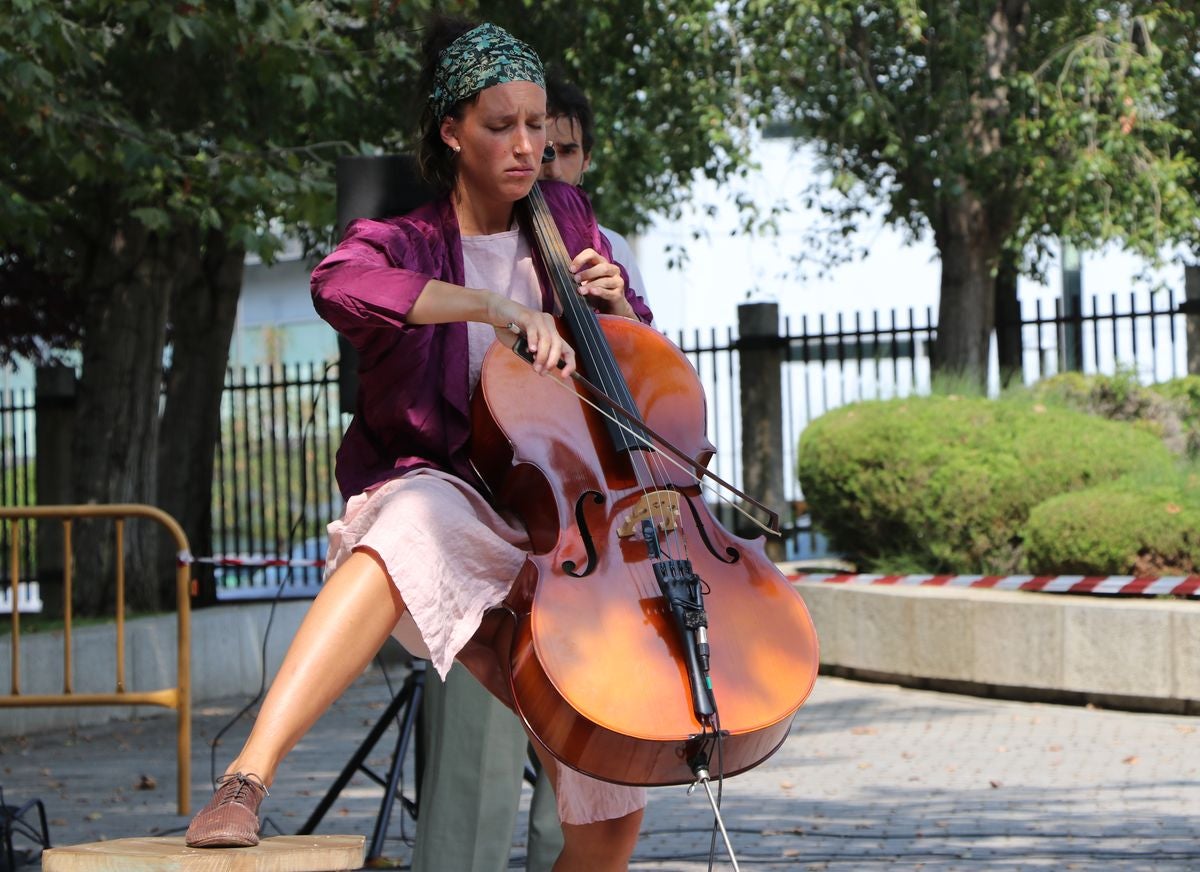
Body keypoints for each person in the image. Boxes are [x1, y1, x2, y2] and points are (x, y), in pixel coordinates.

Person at [182, 18, 653, 872]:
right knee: (410, 521)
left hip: (552, 530)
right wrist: (492, 307)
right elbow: (341, 286)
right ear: (452, 132)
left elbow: (633, 372)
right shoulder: (406, 239)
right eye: (501, 126)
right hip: (446, 497)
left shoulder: (567, 216)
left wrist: (619, 308)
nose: (527, 147)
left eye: (538, 127)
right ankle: (246, 779)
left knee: (610, 820)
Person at [411, 70, 651, 872]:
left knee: (593, 771)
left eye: (559, 150)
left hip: (581, 533)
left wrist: (619, 312)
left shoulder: (604, 249)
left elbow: (649, 387)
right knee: (472, 758)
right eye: (528, 146)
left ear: (582, 157)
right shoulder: (453, 239)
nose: (542, 164)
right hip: (482, 521)